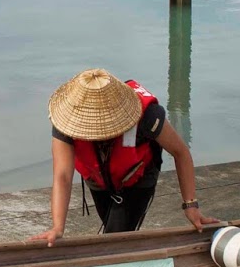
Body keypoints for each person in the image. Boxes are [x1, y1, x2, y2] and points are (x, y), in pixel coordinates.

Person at [31, 68, 221, 246]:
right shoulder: (67, 119)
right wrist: (58, 227)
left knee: (114, 239)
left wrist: (191, 206)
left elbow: (181, 153)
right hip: (97, 177)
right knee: (115, 233)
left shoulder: (147, 115)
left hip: (138, 176)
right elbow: (62, 175)